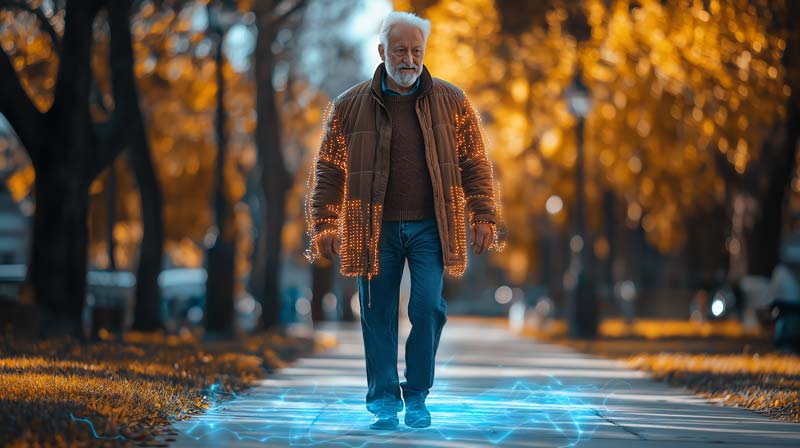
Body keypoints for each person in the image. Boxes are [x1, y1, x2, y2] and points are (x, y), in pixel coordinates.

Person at [305, 10, 503, 430]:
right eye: (400, 50)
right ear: (381, 51)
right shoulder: (348, 105)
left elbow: (474, 163)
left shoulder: (453, 101)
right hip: (373, 229)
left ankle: (416, 395)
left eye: (416, 50)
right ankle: (383, 402)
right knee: (377, 315)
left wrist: (483, 213)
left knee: (429, 307)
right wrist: (323, 222)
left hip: (431, 227)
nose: (409, 59)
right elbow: (329, 169)